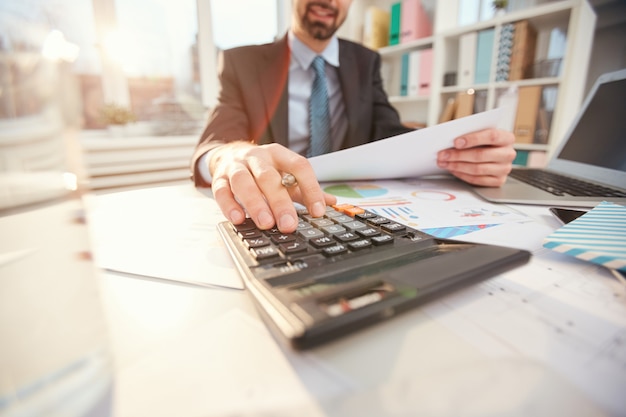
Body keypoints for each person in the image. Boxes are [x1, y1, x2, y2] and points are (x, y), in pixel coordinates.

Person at [190, 0, 516, 234]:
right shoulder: (241, 62)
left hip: (351, 210)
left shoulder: (365, 61)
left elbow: (390, 133)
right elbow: (217, 142)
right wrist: (230, 158)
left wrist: (459, 153)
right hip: (279, 211)